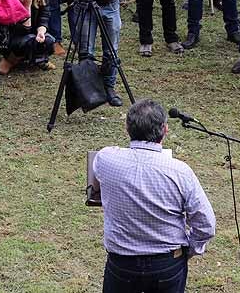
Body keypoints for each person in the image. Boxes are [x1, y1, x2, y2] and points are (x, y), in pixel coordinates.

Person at [92, 98, 216, 293]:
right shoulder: (180, 171)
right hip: (167, 264)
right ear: (165, 129)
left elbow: (96, 184)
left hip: (122, 263)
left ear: (127, 128)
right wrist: (187, 251)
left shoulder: (106, 158)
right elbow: (206, 224)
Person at [0, 0, 55, 74]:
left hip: (32, 32)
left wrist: (41, 32)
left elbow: (44, 18)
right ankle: (10, 60)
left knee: (49, 40)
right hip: (12, 37)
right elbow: (23, 30)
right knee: (28, 40)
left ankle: (39, 59)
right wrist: (27, 6)